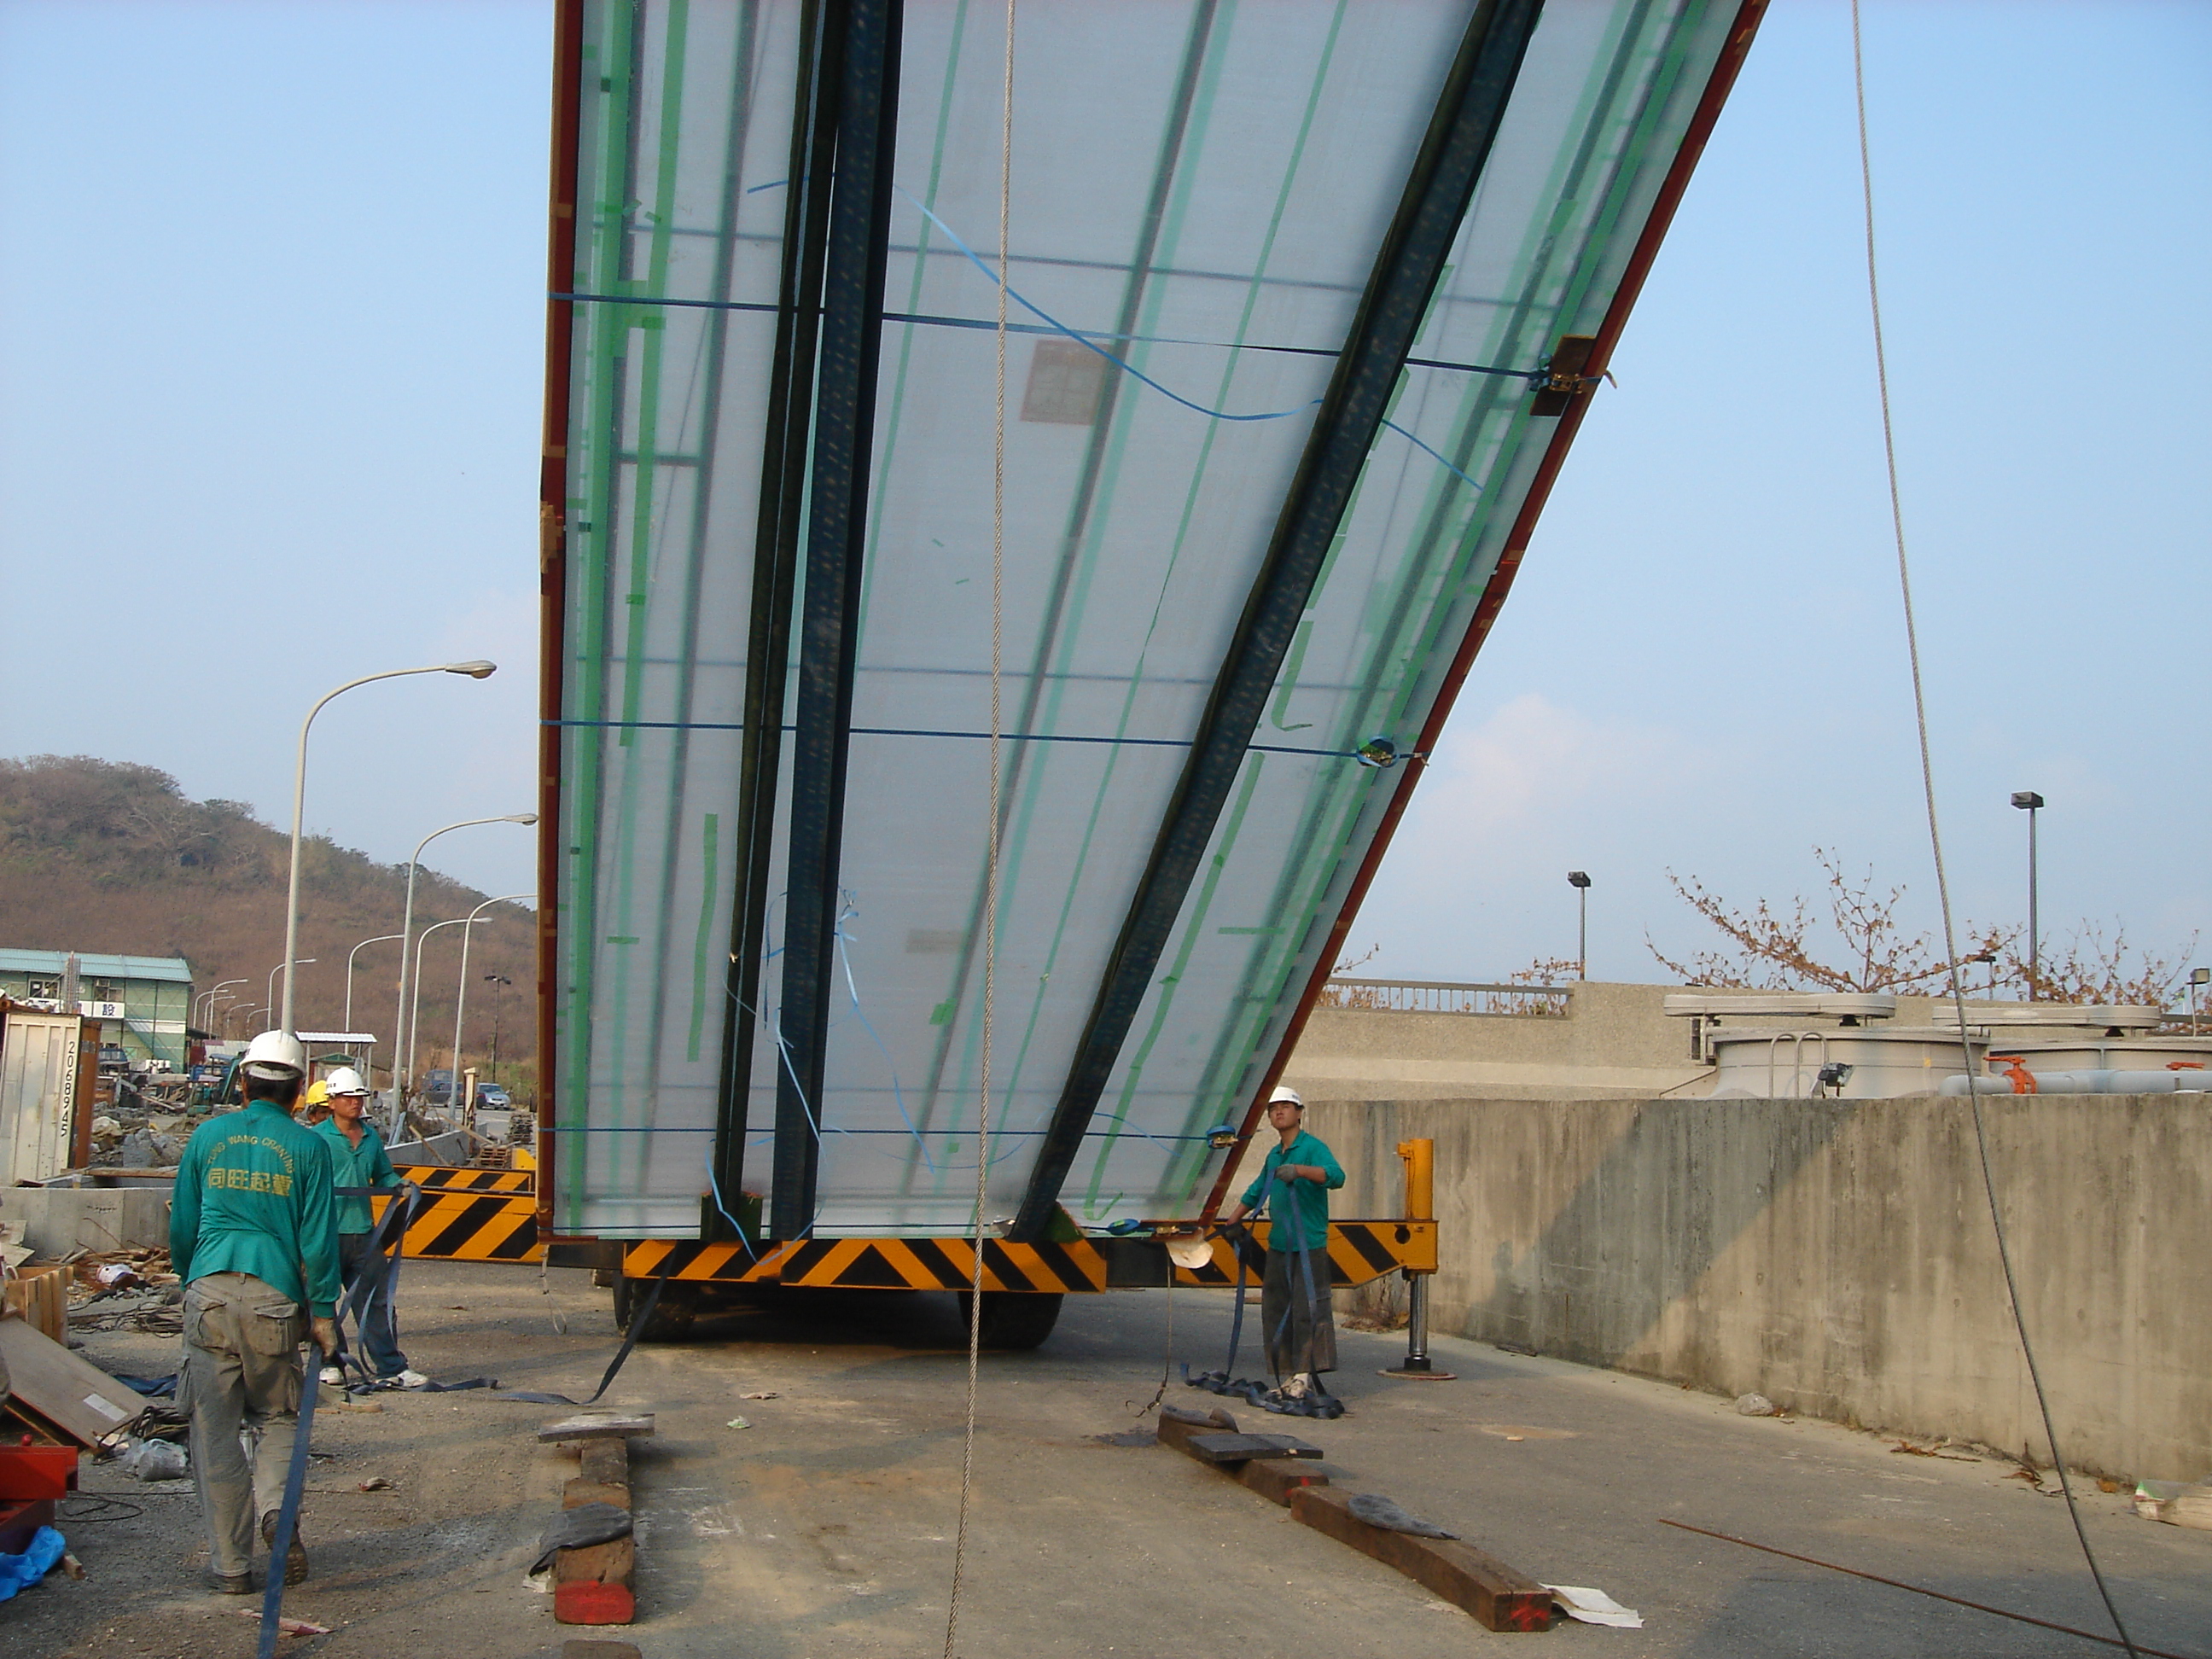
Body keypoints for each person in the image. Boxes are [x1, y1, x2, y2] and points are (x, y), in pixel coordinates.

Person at [170, 1029, 340, 1594]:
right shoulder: (310, 1147)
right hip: (274, 1298)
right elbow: (318, 1241)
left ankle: (231, 1568)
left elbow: (183, 1227)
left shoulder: (207, 1137)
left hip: (209, 1291)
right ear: (297, 1091)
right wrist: (322, 1314)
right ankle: (276, 1509)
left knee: (214, 1430)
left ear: (243, 1081)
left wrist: (190, 1278)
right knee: (276, 1416)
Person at [1220, 1086, 1346, 1402]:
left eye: (1285, 1107)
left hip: (1308, 1245)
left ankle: (1304, 1376)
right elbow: (1256, 1190)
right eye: (1273, 1108)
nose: (1278, 1112)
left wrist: (1300, 1171)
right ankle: (1288, 1375)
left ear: (1299, 1113)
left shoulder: (1312, 1148)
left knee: (1307, 1310)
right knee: (1276, 1310)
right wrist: (1233, 1220)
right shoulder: (1274, 1155)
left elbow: (1336, 1176)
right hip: (1279, 1244)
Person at [311, 1068, 426, 1389]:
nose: (355, 1103)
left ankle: (391, 1366)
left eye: (359, 1097)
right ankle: (330, 1362)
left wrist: (399, 1185)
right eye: (348, 1097)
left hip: (363, 1234)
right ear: (332, 1102)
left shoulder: (370, 1137)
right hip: (326, 1234)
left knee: (376, 1302)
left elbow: (383, 1175)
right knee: (322, 1301)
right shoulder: (317, 1139)